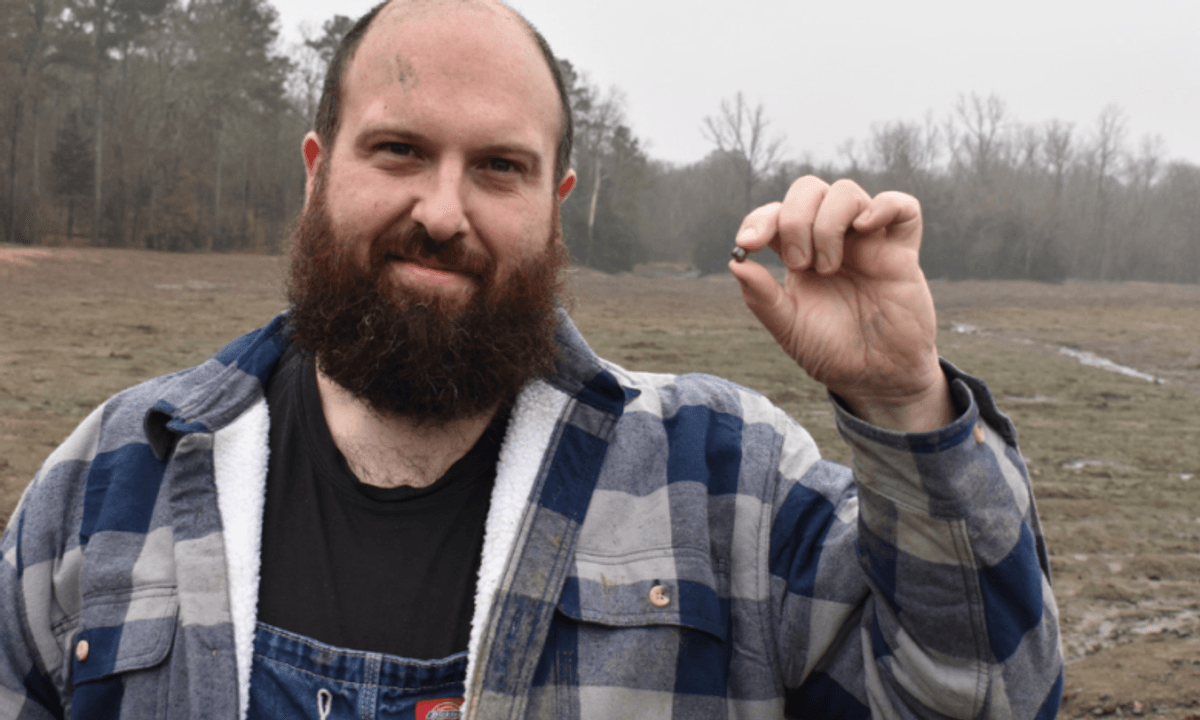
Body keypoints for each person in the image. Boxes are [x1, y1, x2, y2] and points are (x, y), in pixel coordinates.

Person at [0, 0, 1063, 718]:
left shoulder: (725, 483)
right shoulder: (113, 479)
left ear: (556, 205)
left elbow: (984, 697)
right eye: (400, 149)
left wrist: (901, 400)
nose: (442, 210)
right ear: (318, 172)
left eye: (499, 167)